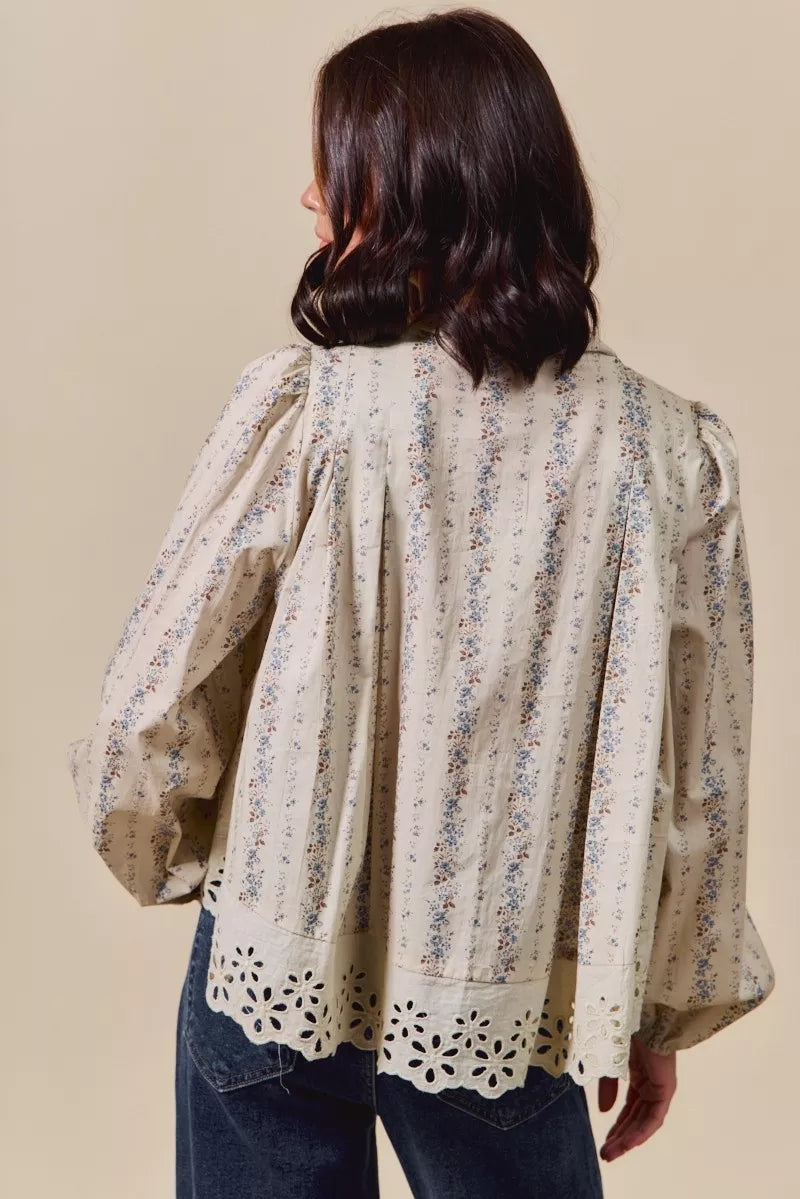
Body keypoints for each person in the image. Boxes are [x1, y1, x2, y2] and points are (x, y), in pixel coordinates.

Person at [66, 7, 776, 1197]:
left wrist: (168, 851)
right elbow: (699, 773)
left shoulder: (307, 413)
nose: (308, 195)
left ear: (409, 184)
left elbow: (155, 692)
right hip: (504, 994)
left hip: (275, 957)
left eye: (331, 165)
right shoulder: (664, 455)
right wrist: (656, 1000)